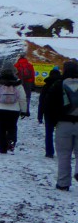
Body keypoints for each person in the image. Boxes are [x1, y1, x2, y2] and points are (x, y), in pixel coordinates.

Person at [42, 60, 78, 191]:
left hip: (63, 124)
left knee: (64, 154)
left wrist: (52, 122)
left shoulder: (58, 85)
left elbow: (49, 104)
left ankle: (63, 183)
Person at [0, 66, 28, 154]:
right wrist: (24, 110)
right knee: (12, 126)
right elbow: (22, 98)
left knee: (0, 128)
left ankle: (1, 148)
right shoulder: (18, 84)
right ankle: (11, 140)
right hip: (14, 110)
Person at [37, 66, 61, 158]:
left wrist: (40, 115)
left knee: (49, 133)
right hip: (60, 113)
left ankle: (49, 152)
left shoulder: (46, 85)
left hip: (48, 112)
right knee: (60, 134)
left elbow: (41, 101)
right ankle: (61, 152)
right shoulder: (62, 85)